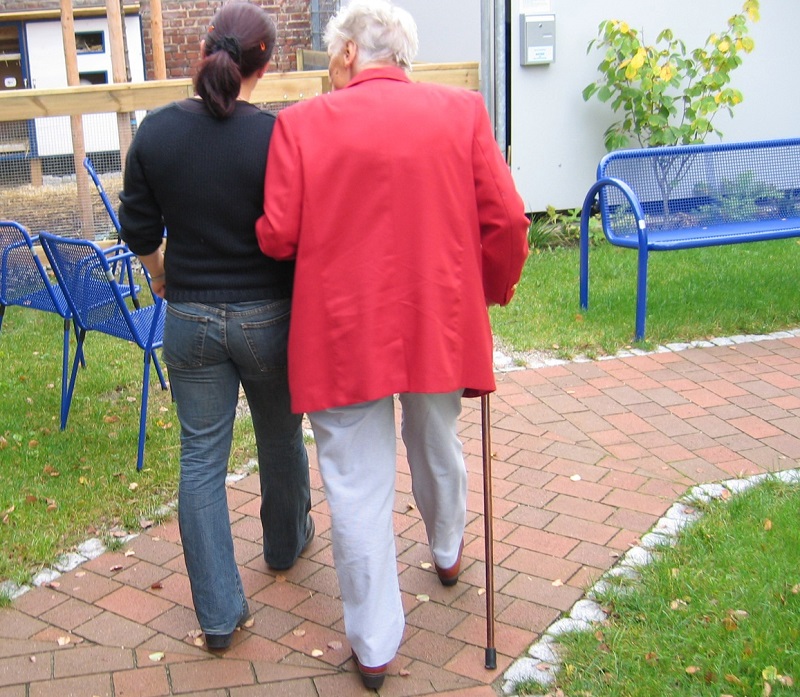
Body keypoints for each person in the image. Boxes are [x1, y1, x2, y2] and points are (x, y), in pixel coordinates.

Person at [255, 0, 529, 688]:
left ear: (348, 53)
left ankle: (374, 645)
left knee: (355, 483)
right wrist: (490, 289)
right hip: (439, 320)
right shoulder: (461, 111)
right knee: (438, 438)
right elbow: (507, 219)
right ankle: (446, 548)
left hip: (343, 330)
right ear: (403, 54)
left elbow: (280, 235)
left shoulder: (299, 124)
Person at [118, 1, 313, 652]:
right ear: (268, 61)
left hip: (191, 319)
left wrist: (162, 273)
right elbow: (298, 230)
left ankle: (219, 615)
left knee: (200, 461)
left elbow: (139, 229)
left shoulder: (156, 132)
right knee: (282, 439)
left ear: (203, 50)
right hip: (269, 319)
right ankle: (285, 546)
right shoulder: (279, 135)